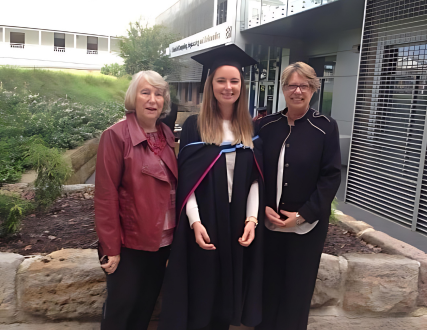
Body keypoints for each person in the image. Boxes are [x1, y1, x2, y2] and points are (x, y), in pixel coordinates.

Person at [158, 45, 265, 330]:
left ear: (242, 86)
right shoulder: (195, 126)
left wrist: (252, 220)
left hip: (238, 220)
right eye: (221, 80)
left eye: (234, 81)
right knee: (203, 288)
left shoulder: (252, 129)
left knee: (229, 292)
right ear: (211, 84)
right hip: (206, 219)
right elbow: (187, 179)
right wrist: (194, 222)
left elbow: (256, 178)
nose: (228, 87)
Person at [254, 62, 342, 330]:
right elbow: (256, 171)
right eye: (291, 85)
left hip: (307, 226)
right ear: (283, 89)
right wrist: (263, 206)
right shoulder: (266, 126)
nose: (297, 91)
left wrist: (303, 215)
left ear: (313, 89)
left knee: (297, 293)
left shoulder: (326, 127)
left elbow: (331, 177)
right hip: (269, 222)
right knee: (267, 290)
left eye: (304, 85)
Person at [94, 70, 178, 330]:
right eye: (145, 92)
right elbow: (105, 195)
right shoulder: (116, 135)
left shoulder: (166, 134)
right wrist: (111, 248)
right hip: (130, 243)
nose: (153, 99)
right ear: (134, 97)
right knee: (121, 310)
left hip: (163, 242)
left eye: (159, 93)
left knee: (145, 308)